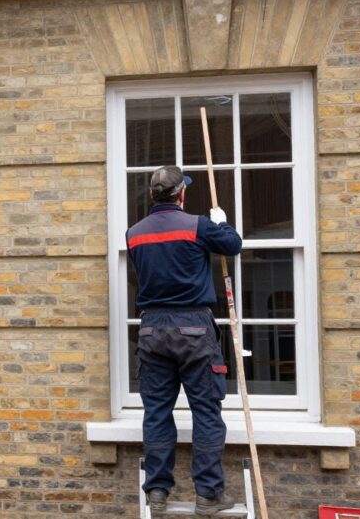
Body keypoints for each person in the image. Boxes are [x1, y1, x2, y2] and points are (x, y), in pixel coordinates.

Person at [127, 166, 243, 516]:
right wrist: (221, 224)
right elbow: (233, 245)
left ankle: (157, 492)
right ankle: (208, 495)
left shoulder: (134, 233)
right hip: (193, 326)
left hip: (151, 328)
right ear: (181, 194)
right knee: (205, 411)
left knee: (157, 412)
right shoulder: (198, 226)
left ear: (152, 195)